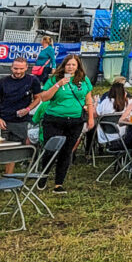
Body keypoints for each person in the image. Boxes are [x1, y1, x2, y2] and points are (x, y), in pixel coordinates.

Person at [26, 53, 95, 192]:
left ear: (78, 67)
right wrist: (58, 84)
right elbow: (44, 97)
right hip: (54, 119)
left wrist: (91, 117)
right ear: (64, 66)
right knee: (50, 150)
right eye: (68, 65)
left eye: (73, 65)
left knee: (66, 151)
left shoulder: (83, 80)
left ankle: (59, 183)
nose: (70, 67)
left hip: (75, 120)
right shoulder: (54, 79)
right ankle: (43, 176)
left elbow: (88, 99)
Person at [0, 57, 42, 144]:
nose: (18, 71)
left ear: (26, 68)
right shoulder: (2, 82)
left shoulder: (32, 80)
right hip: (4, 120)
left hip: (21, 121)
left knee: (19, 147)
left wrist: (28, 109)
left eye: (21, 69)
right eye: (15, 69)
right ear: (11, 67)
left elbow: (38, 98)